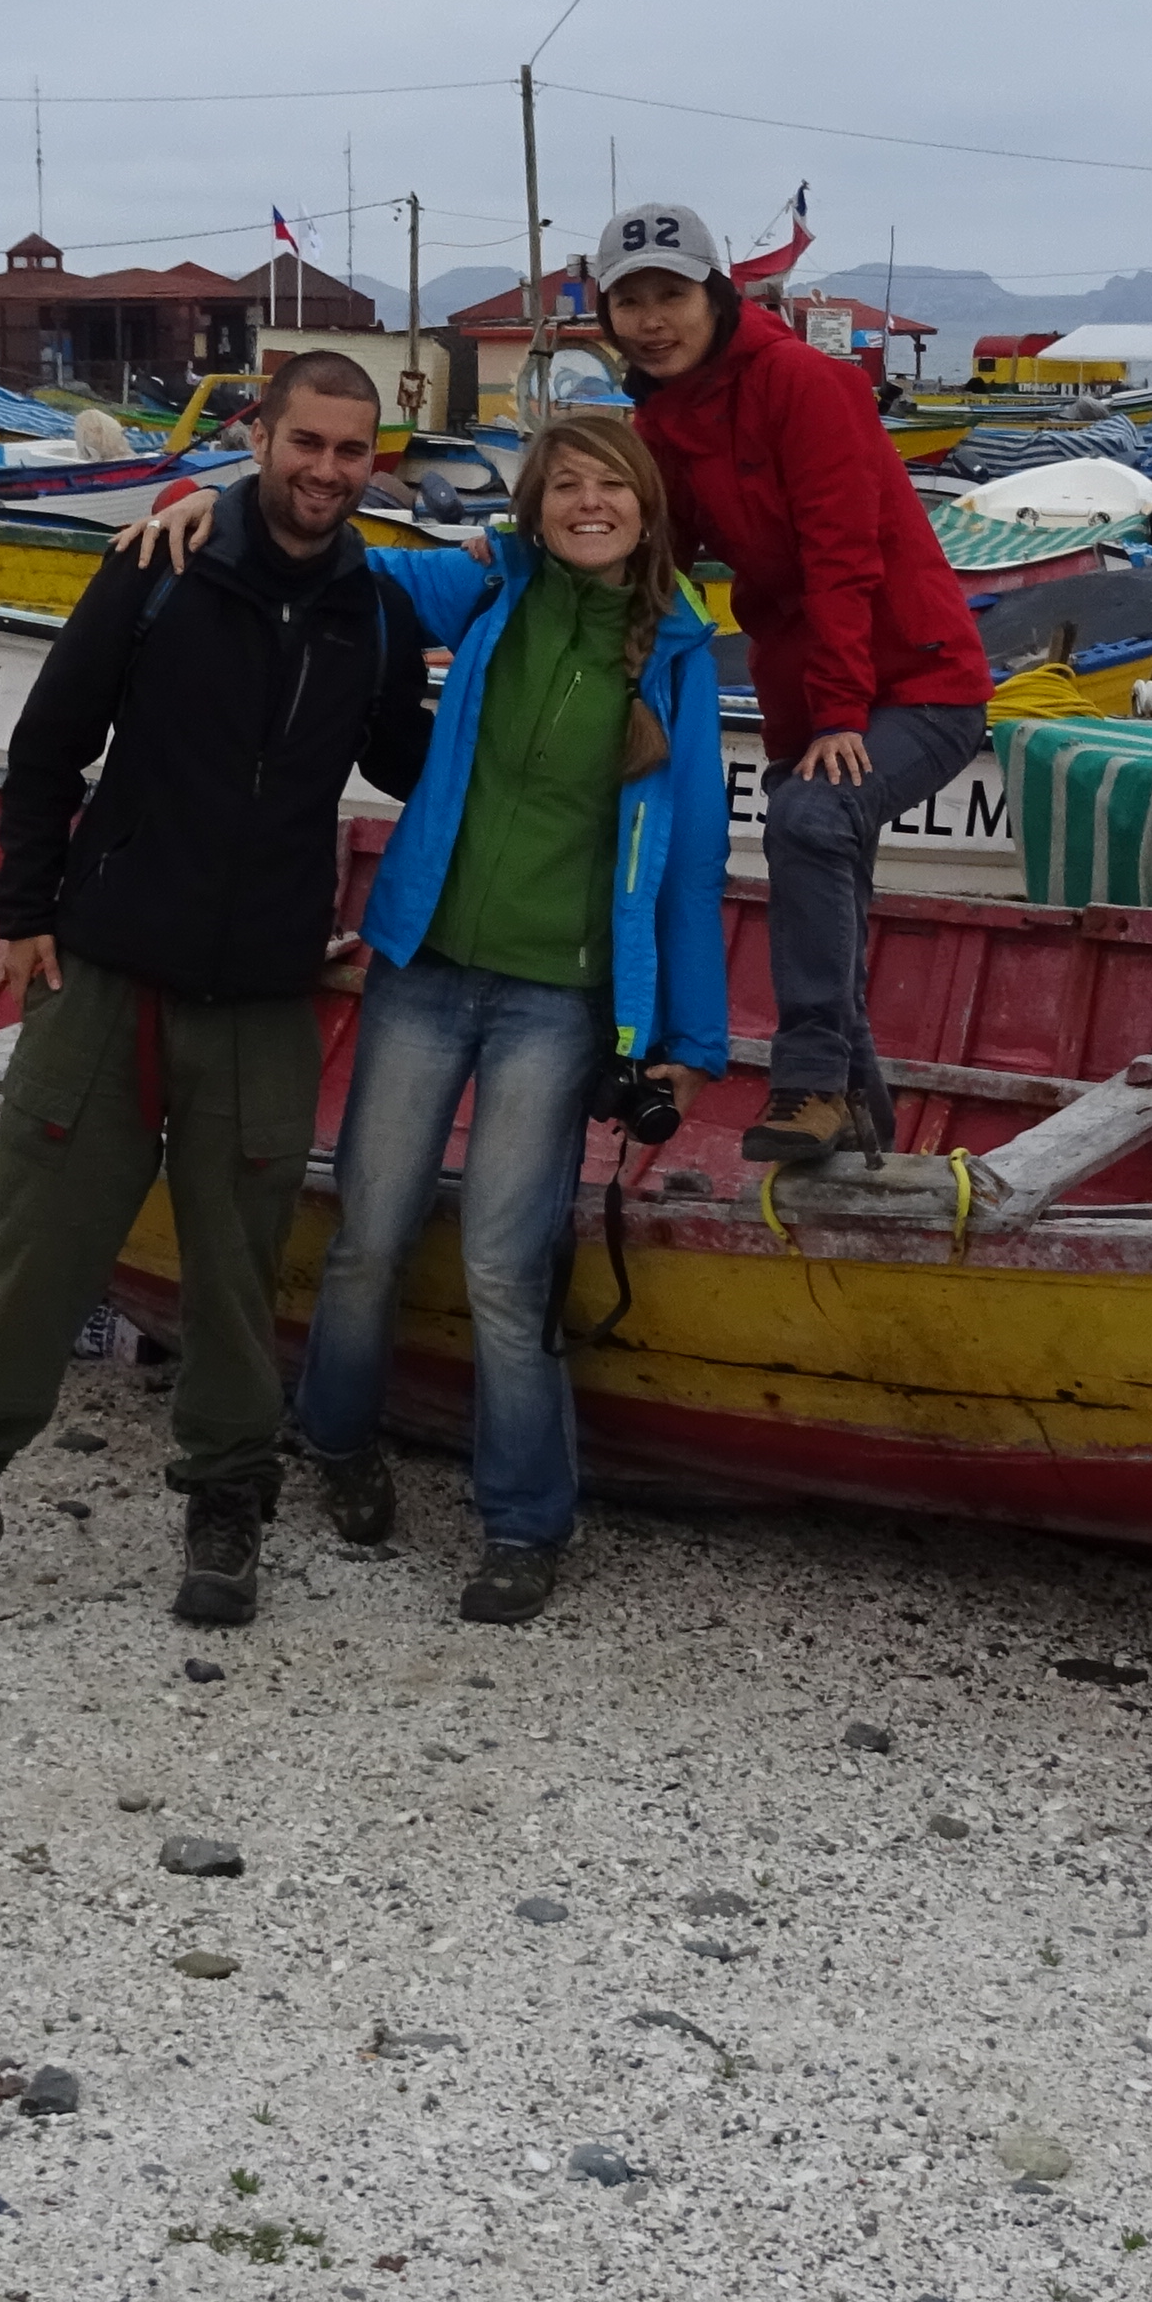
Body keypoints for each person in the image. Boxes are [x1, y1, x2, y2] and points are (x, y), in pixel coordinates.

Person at [111, 407, 726, 1620]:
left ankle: (524, 1522)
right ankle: (333, 1439)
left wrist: (691, 1046)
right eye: (564, 488)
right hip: (425, 969)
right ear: (534, 508)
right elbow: (346, 558)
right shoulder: (485, 592)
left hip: (558, 1000)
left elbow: (693, 862)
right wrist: (216, 506)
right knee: (368, 1236)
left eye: (610, 487)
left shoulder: (678, 657)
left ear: (645, 507)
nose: (587, 504)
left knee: (505, 1261)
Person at [0, 350, 431, 1635]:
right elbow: (52, 741)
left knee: (235, 1271)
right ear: (260, 439)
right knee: (33, 1246)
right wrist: (22, 912)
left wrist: (559, 764)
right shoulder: (159, 569)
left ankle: (228, 1492)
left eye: (353, 451)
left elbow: (413, 762)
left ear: (372, 461)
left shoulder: (373, 612)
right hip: (107, 968)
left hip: (264, 991)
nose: (329, 471)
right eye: (309, 444)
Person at [590, 201, 990, 1165]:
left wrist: (841, 714)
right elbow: (665, 562)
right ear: (607, 318)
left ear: (715, 295)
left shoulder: (804, 382)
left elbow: (842, 558)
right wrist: (611, 663)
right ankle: (864, 1136)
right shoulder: (658, 418)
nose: (653, 319)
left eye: (671, 295)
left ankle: (807, 1083)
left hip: (921, 683)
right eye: (631, 301)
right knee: (824, 866)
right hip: (807, 697)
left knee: (809, 820)